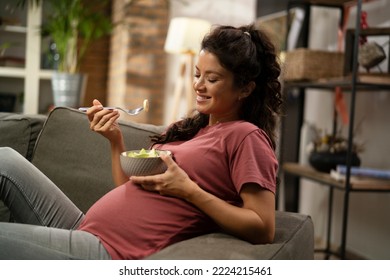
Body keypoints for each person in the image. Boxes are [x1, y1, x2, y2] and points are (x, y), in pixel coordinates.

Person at [0, 23, 282, 260]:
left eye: (212, 78)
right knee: (5, 159)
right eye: (197, 75)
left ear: (245, 88)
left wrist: (189, 190)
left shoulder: (246, 137)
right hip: (83, 227)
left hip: (107, 252)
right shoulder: (189, 131)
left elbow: (263, 227)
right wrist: (114, 140)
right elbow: (129, 186)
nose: (198, 85)